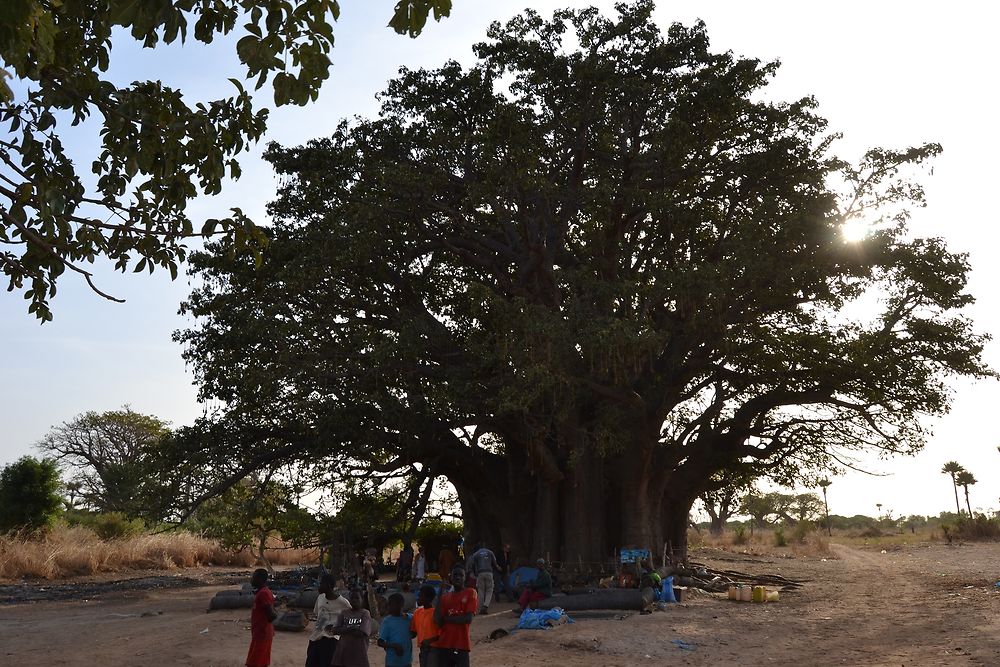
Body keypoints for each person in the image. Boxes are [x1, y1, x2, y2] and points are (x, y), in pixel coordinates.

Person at [432, 565, 478, 667]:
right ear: (450, 578)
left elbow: (467, 619)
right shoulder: (445, 597)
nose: (457, 577)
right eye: (455, 575)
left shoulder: (470, 593)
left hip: (461, 644)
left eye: (461, 575)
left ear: (465, 578)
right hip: (444, 644)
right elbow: (438, 621)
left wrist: (447, 619)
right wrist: (440, 593)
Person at [306, 574, 352, 667]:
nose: (319, 586)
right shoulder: (320, 598)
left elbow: (353, 620)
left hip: (331, 641)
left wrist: (337, 628)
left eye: (321, 583)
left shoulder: (343, 603)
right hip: (315, 638)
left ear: (328, 585)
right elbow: (317, 615)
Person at [330, 590, 372, 667]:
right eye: (352, 598)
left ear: (362, 599)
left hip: (359, 654)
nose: (354, 600)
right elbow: (334, 630)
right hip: (342, 653)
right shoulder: (344, 613)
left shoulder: (365, 613)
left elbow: (361, 633)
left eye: (357, 598)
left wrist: (344, 629)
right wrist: (352, 628)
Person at [246, 568, 278, 667]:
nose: (252, 579)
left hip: (262, 633)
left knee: (254, 662)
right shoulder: (264, 592)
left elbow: (271, 615)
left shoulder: (263, 594)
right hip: (261, 633)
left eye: (254, 577)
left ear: (260, 579)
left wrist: (270, 615)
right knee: (261, 662)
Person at [377, 593, 413, 667]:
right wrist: (394, 646)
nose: (390, 607)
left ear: (401, 605)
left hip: (406, 662)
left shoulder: (410, 619)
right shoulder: (387, 621)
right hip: (392, 662)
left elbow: (413, 633)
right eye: (389, 605)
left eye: (393, 605)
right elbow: (380, 642)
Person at [410, 585, 441, 667]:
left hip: (434, 649)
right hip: (423, 649)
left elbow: (442, 633)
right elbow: (413, 632)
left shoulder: (435, 613)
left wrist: (429, 640)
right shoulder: (417, 612)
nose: (418, 597)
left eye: (420, 595)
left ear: (428, 598)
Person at [466, 542, 500, 614]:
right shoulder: (490, 552)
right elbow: (495, 563)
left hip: (480, 573)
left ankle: (480, 608)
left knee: (481, 590)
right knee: (489, 590)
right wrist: (498, 568)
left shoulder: (476, 554)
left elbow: (472, 564)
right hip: (489, 572)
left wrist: (473, 573)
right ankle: (485, 606)